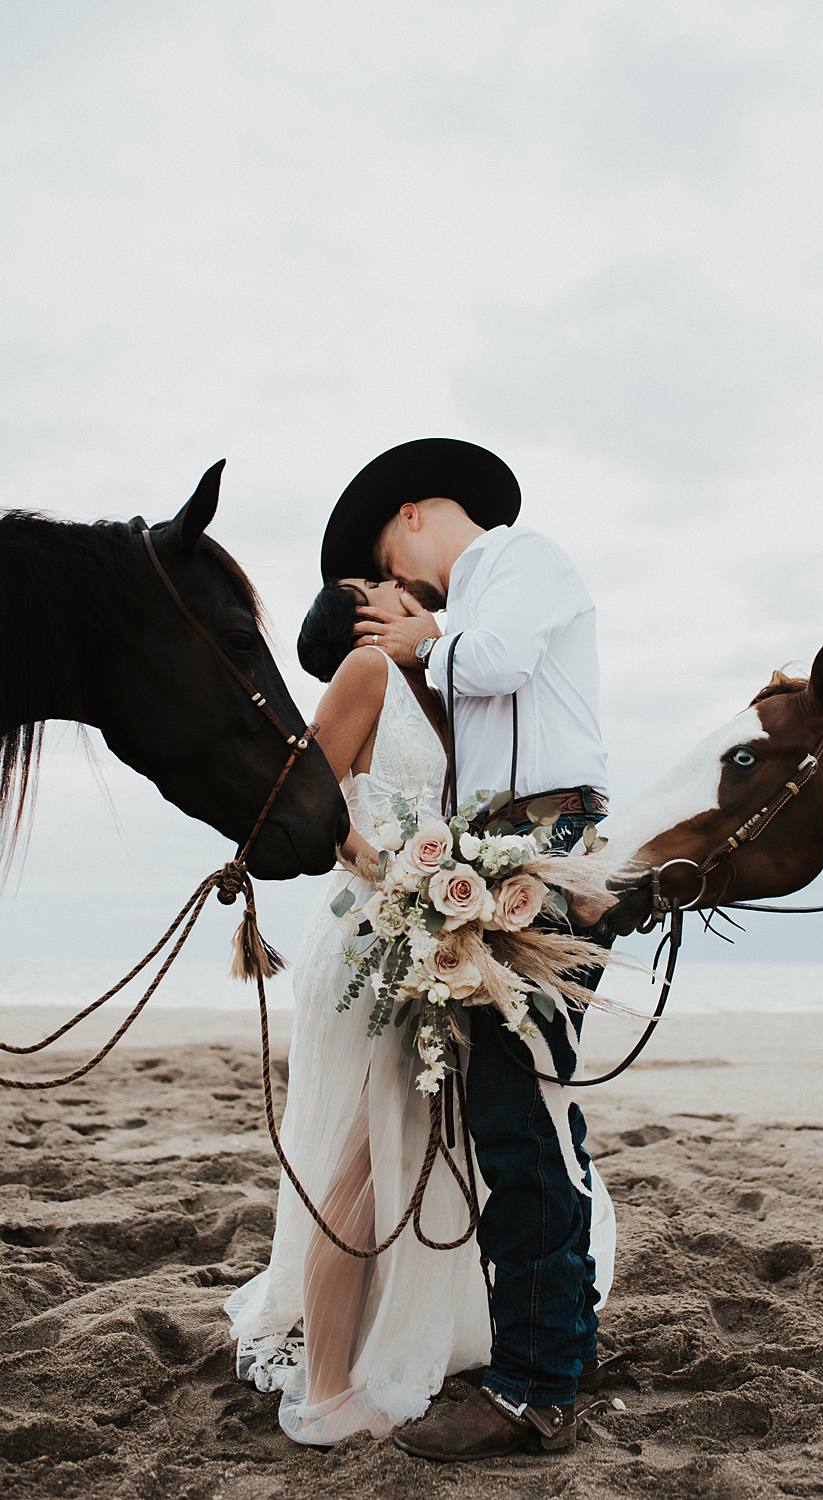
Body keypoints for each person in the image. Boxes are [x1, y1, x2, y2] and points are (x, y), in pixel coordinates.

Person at [223, 439, 615, 1452]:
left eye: (402, 590)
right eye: (384, 595)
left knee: (453, 1139)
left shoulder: (463, 669)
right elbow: (308, 801)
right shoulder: (372, 668)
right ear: (366, 609)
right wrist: (392, 878)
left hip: (457, 921)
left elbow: (508, 729)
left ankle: (528, 1343)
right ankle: (326, 1384)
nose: (405, 599)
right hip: (381, 934)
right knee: (362, 1153)